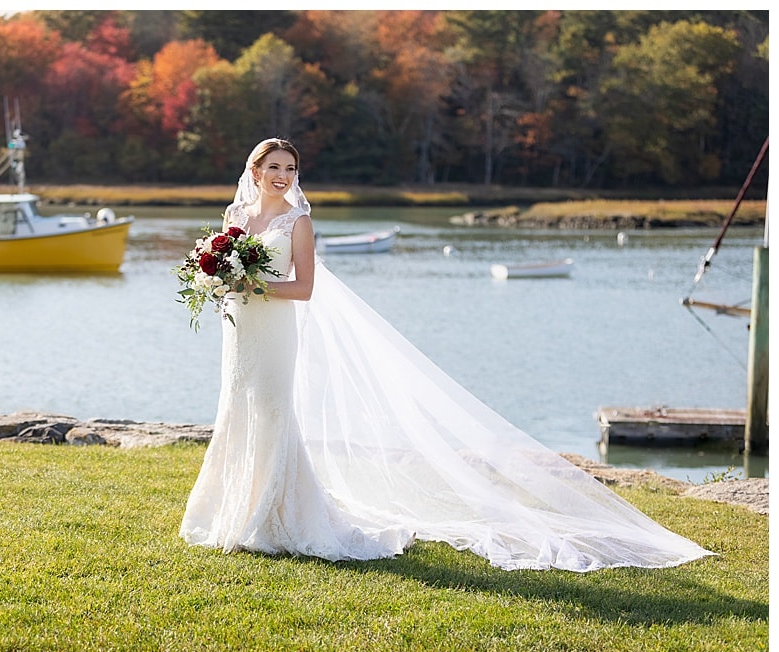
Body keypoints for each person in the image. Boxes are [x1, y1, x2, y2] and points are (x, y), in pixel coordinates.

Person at [179, 138, 712, 572]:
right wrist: (223, 280)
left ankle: (276, 517)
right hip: (239, 330)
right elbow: (220, 269)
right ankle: (231, 510)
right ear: (254, 170)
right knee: (237, 411)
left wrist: (251, 285)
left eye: (290, 168)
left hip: (272, 326)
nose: (282, 176)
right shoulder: (237, 215)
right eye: (273, 167)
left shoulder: (299, 224)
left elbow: (304, 289)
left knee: (273, 413)